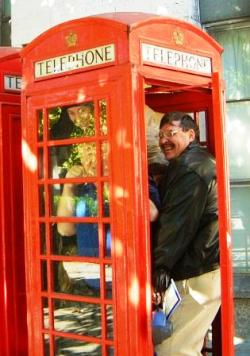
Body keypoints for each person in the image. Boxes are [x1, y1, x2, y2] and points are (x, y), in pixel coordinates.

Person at [152, 111, 220, 355]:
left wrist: (160, 266)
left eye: (171, 133)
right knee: (188, 345)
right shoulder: (194, 162)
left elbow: (176, 225)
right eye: (160, 135)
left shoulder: (190, 169)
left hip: (195, 273)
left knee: (173, 350)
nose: (163, 140)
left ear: (191, 135)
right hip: (201, 267)